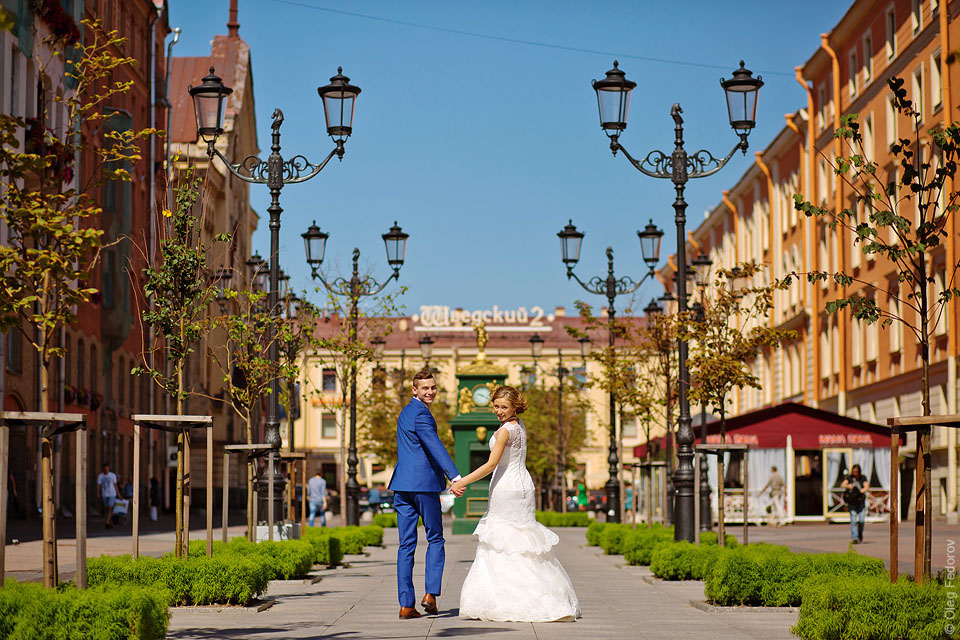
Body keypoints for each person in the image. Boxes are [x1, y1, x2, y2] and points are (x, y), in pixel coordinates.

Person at [453, 386, 580, 623]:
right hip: (523, 486)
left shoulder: (504, 432)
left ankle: (506, 599)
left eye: (504, 407)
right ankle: (543, 596)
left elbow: (492, 465)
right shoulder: (519, 425)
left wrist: (462, 482)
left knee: (502, 541)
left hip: (506, 488)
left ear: (515, 407)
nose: (499, 411)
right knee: (523, 541)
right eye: (496, 406)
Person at [389, 368, 463, 619]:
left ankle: (406, 605)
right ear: (414, 390)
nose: (430, 392)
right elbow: (435, 445)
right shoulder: (421, 414)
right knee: (435, 538)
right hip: (423, 486)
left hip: (401, 486)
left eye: (433, 387)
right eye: (425, 388)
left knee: (405, 545)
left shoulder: (406, 412)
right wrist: (454, 475)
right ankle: (430, 594)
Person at [841, 464, 869, 544]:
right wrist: (848, 485)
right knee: (853, 519)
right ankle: (854, 538)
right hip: (852, 501)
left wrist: (861, 491)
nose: (855, 473)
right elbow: (842, 484)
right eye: (854, 471)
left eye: (856, 471)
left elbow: (866, 486)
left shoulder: (862, 478)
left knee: (861, 520)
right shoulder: (849, 478)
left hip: (860, 501)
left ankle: (860, 534)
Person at [96, 463, 118, 529]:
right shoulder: (100, 476)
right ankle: (111, 522)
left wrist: (118, 494)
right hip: (104, 494)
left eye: (107, 468)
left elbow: (115, 485)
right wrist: (98, 494)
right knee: (107, 510)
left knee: (110, 508)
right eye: (105, 468)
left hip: (112, 494)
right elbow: (98, 485)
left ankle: (107, 522)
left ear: (109, 468)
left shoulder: (112, 475)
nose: (106, 469)